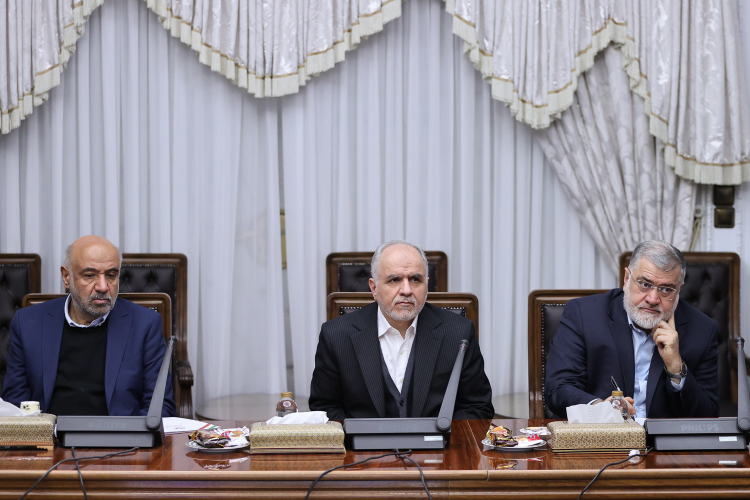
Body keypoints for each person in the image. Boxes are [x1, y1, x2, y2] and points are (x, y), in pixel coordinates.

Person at [309, 240, 494, 420]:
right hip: (362, 442)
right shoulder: (336, 336)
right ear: (374, 288)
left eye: (415, 279)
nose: (406, 290)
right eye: (394, 279)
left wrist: (443, 436)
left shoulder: (458, 332)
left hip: (438, 441)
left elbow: (477, 408)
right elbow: (325, 409)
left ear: (427, 285)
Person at [2, 235, 175, 417]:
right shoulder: (29, 323)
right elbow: (15, 404)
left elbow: (159, 407)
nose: (103, 287)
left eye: (111, 275)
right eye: (90, 275)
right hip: (51, 433)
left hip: (119, 434)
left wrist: (131, 434)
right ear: (66, 277)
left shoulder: (145, 324)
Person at [545, 240, 718, 419]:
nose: (653, 299)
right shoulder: (584, 314)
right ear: (627, 279)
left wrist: (676, 366)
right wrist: (600, 408)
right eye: (645, 284)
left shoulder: (703, 330)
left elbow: (708, 415)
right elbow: (557, 388)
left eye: (666, 289)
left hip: (663, 436)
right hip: (601, 434)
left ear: (678, 289)